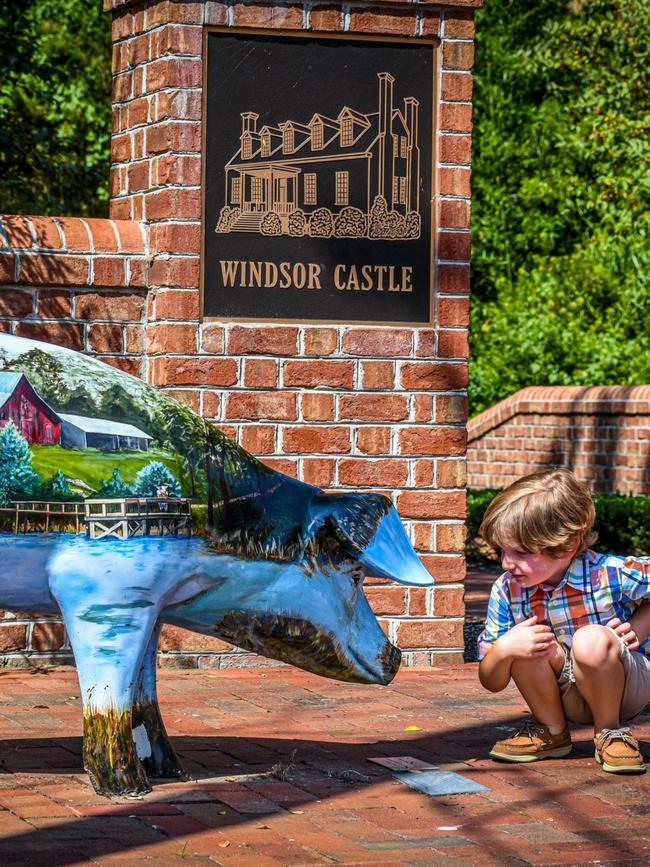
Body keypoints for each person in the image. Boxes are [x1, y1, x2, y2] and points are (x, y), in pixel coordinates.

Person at [477, 467, 650, 774]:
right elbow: (491, 681)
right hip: (563, 691)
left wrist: (638, 628)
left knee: (590, 640)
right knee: (527, 643)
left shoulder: (609, 572)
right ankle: (552, 732)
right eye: (501, 551)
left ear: (567, 546)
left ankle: (610, 731)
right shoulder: (506, 589)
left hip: (625, 687)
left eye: (520, 552)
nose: (506, 563)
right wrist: (503, 649)